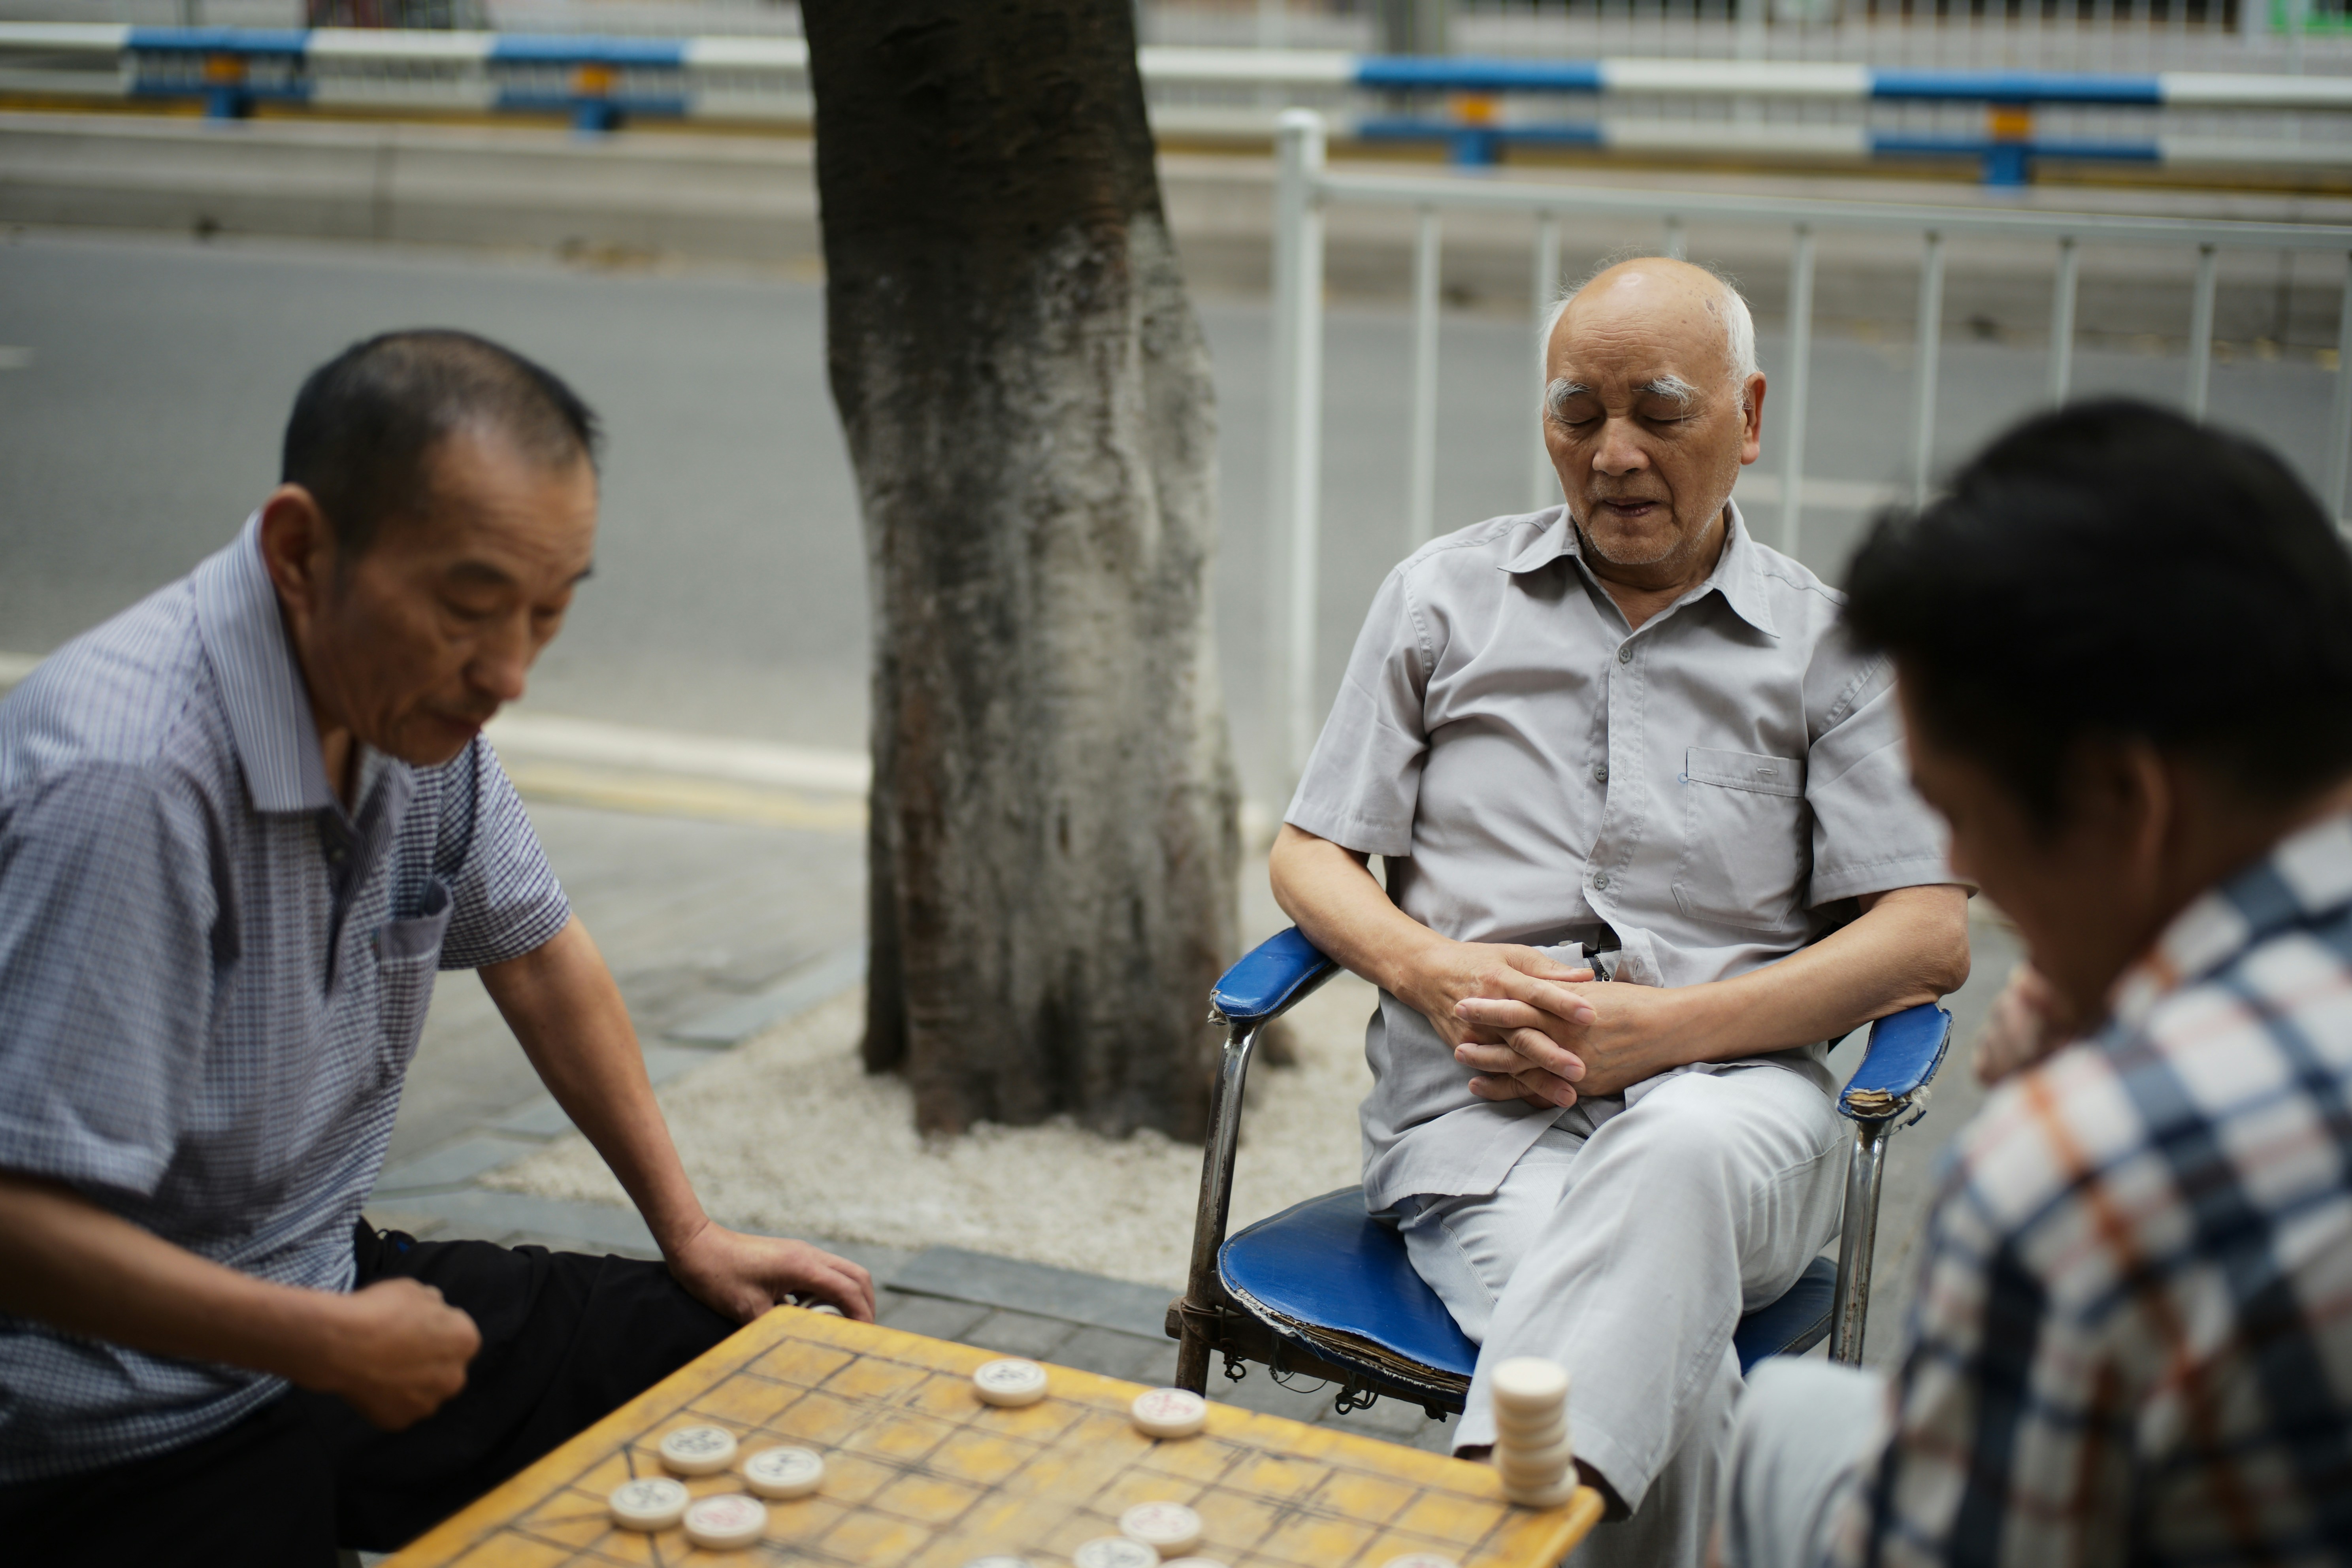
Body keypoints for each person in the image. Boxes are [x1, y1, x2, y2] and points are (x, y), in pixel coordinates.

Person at [0, 330, 874, 1564]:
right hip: (112, 1422)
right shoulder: (127, 782)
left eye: (551, 613)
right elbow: (18, 1225)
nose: (509, 670)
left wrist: (688, 1229)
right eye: (470, 608)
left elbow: (536, 953)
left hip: (322, 1287)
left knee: (755, 1355)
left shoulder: (410, 712)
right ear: (302, 552)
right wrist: (322, 1345)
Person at [1269, 256, 1971, 1567]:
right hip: (1484, 1129)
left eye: (1660, 410)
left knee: (1675, 1159)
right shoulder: (1442, 601)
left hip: (1737, 1118)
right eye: (1576, 415)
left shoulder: (1842, 648)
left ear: (1749, 419)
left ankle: (1472, 1542)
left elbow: (1928, 935)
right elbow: (1310, 852)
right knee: (1657, 1368)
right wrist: (1430, 972)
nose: (1614, 455)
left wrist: (1667, 1036)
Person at [1719, 400, 2352, 1566]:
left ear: (2122, 799)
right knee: (1802, 1419)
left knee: (1770, 1439)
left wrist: (2065, 1112)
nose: (1960, 871)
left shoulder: (2082, 1177)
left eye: (1958, 816)